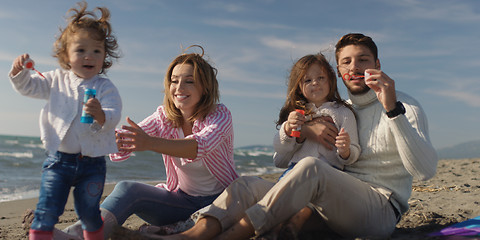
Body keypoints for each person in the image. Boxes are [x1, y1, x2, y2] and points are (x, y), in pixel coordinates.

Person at [161, 33, 438, 240]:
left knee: (311, 168)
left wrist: (391, 109)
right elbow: (281, 157)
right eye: (346, 62)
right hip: (326, 204)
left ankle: (236, 235)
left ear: (377, 63)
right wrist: (303, 130)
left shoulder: (403, 106)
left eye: (363, 60)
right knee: (247, 186)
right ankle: (196, 233)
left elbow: (425, 170)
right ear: (339, 73)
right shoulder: (342, 109)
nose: (354, 67)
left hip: (378, 210)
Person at [56, 45, 239, 240]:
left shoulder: (219, 115)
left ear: (205, 87)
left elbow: (199, 146)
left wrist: (150, 143)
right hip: (180, 203)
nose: (179, 88)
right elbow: (126, 139)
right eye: (174, 81)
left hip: (220, 202)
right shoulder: (163, 117)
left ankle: (180, 229)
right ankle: (79, 235)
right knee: (127, 188)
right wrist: (102, 121)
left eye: (189, 81)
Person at [8, 1, 122, 240]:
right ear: (66, 55)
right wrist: (20, 72)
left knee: (89, 212)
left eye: (96, 51)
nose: (88, 56)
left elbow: (113, 113)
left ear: (104, 56)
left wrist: (101, 114)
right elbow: (30, 87)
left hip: (92, 165)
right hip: (58, 162)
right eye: (80, 50)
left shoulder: (104, 87)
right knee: (47, 210)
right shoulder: (55, 80)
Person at [273, 53, 360, 177]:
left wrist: (345, 151)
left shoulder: (344, 112)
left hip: (329, 173)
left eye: (321, 78)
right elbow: (280, 151)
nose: (315, 83)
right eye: (308, 80)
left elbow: (354, 151)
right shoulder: (297, 114)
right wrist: (287, 128)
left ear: (330, 80)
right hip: (296, 170)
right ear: (299, 88)